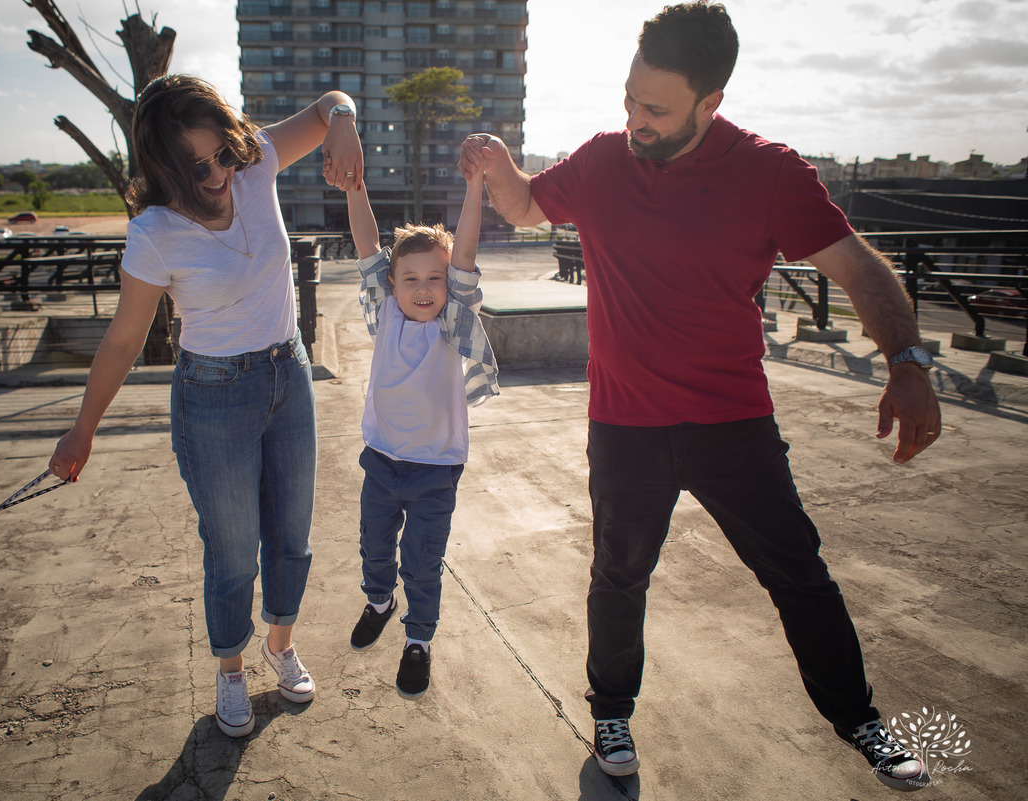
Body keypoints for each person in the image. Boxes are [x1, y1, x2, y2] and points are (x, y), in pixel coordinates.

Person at [460, 1, 940, 791]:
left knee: (798, 571)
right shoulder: (603, 160)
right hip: (625, 425)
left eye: (655, 109)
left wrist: (909, 361)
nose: (635, 120)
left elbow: (859, 268)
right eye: (628, 99)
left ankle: (859, 718)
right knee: (619, 574)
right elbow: (522, 204)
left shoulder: (771, 172)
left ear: (710, 103)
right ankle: (611, 710)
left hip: (733, 422)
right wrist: (498, 160)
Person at [47, 74, 364, 739]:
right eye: (199, 166)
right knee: (231, 548)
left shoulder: (256, 165)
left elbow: (328, 103)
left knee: (293, 534)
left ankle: (280, 643)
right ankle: (230, 669)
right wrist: (83, 428)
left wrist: (343, 120)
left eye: (223, 151)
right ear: (165, 168)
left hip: (289, 374)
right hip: (214, 394)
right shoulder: (155, 230)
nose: (219, 172)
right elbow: (125, 339)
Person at [336, 146, 498, 698]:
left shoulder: (452, 321)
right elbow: (366, 244)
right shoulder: (383, 315)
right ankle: (379, 601)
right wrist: (355, 189)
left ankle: (418, 640)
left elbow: (467, 248)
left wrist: (475, 187)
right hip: (381, 462)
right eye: (410, 279)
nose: (424, 288)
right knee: (375, 549)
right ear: (392, 284)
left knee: (422, 562)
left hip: (435, 472)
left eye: (435, 277)